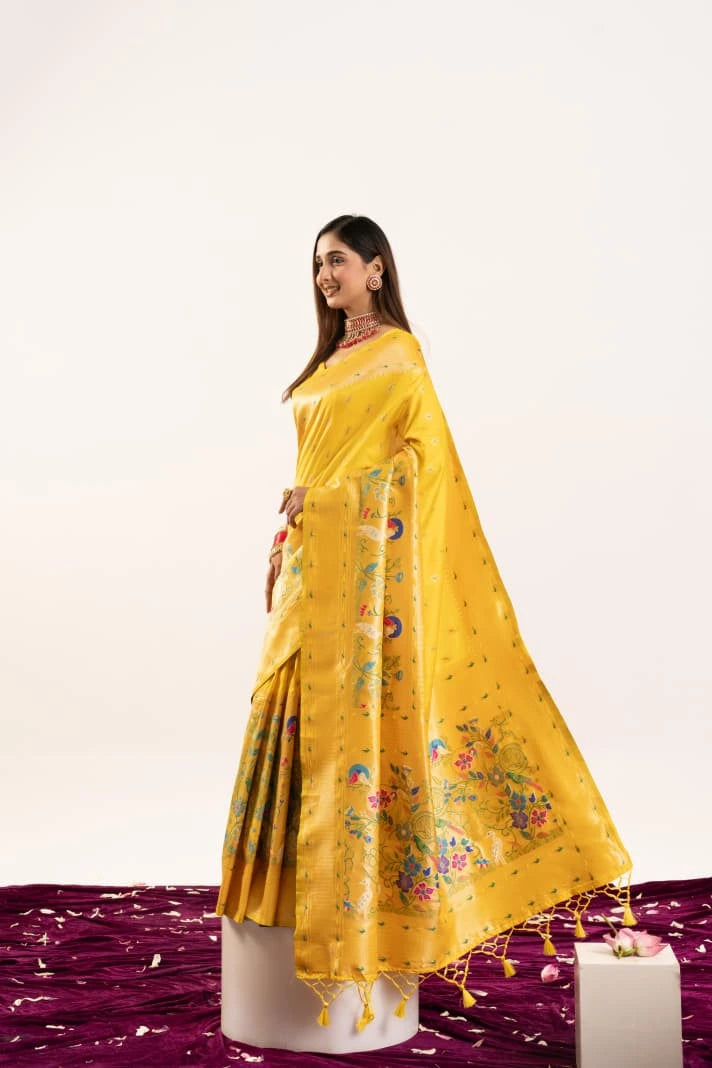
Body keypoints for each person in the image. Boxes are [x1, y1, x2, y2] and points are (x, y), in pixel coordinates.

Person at [215, 214, 634, 1029]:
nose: (322, 276)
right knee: (280, 720)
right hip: (312, 573)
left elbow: (420, 469)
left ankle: (367, 916)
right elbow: (318, 467)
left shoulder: (400, 357)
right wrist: (292, 529)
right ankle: (280, 908)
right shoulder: (326, 363)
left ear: (376, 269)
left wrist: (330, 503)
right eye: (315, 264)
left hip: (359, 584)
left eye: (335, 261)